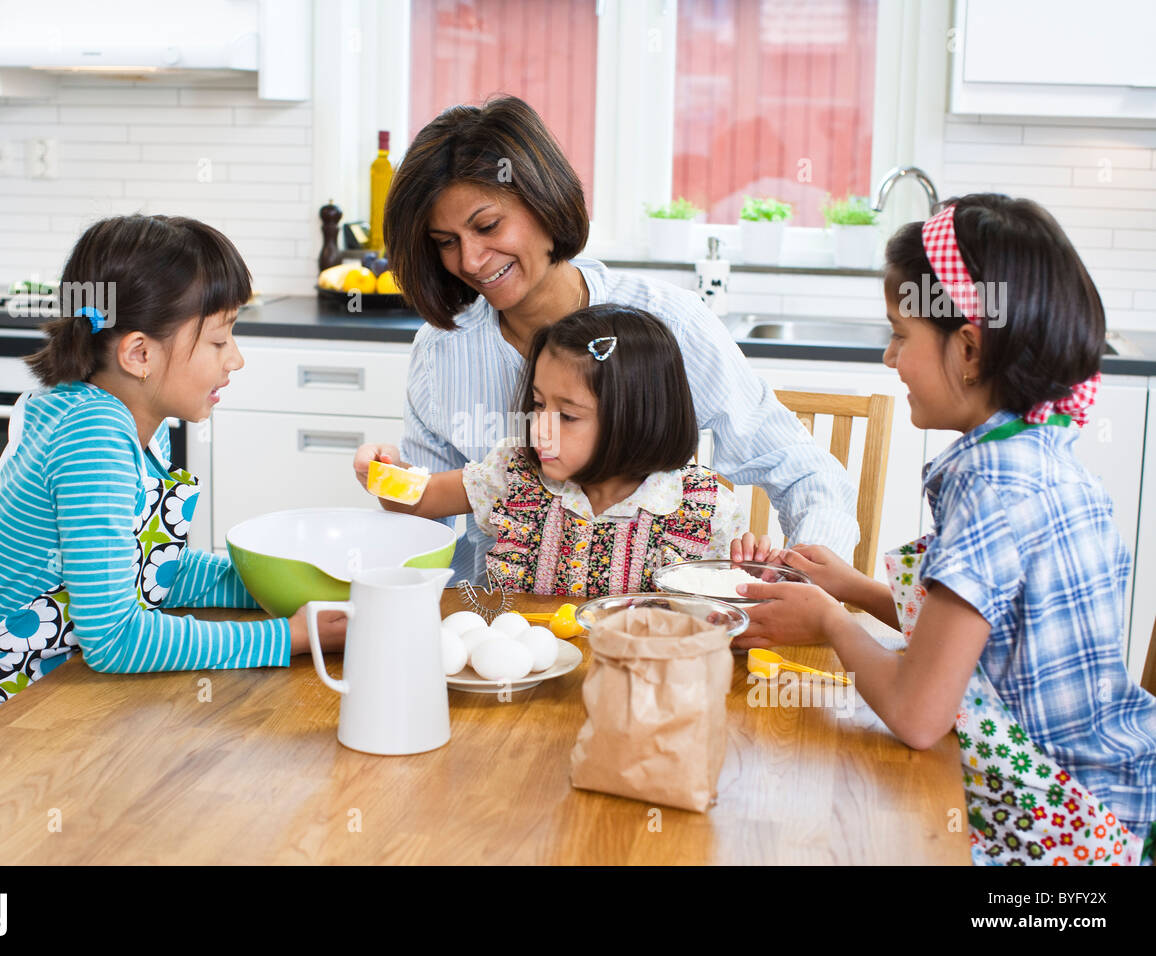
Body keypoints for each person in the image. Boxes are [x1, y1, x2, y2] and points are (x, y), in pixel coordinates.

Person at [735, 194, 1156, 865]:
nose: (889, 357)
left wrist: (830, 625)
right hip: (1112, 807)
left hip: (1057, 835)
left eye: (901, 335)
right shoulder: (1037, 453)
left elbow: (917, 715)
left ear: (968, 348)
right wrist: (855, 589)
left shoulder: (990, 486)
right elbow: (988, 636)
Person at [0, 215, 347, 755]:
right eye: (219, 339)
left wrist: (296, 586)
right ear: (139, 354)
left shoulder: (131, 423)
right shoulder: (94, 438)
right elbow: (114, 638)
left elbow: (153, 573)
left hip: (62, 700)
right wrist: (289, 638)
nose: (236, 359)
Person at [383, 94, 858, 585]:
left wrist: (804, 586)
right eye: (446, 242)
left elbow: (802, 471)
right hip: (503, 624)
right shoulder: (441, 350)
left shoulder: (668, 321)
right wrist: (386, 475)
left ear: (543, 202)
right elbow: (424, 523)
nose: (471, 261)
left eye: (488, 226)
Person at [353, 305, 772, 597]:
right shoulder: (514, 474)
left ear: (638, 419)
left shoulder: (702, 509)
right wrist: (383, 471)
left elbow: (721, 615)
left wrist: (749, 578)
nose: (541, 427)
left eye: (567, 416)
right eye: (538, 404)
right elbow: (420, 498)